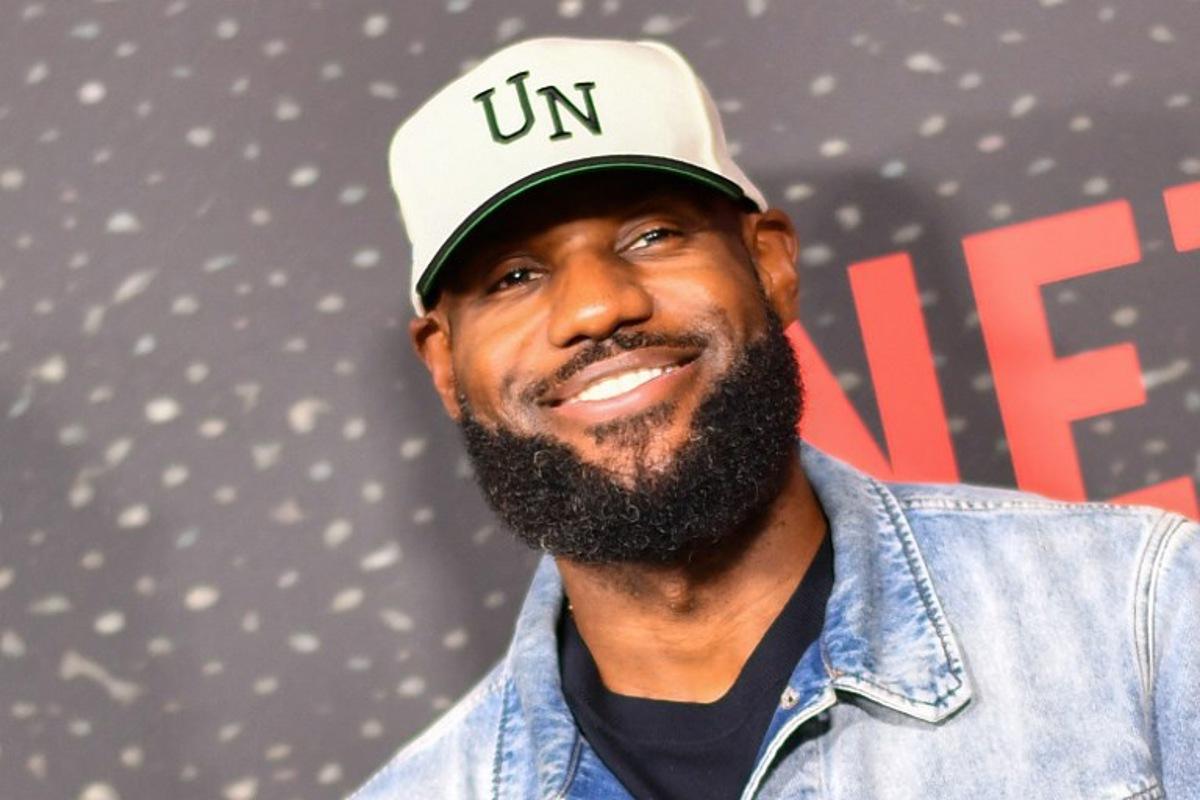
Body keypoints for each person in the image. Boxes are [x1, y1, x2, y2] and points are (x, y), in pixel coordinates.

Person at [351, 37, 1199, 800]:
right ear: (443, 363)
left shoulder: (1140, 620)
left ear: (771, 263)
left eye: (650, 235)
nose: (599, 306)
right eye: (512, 277)